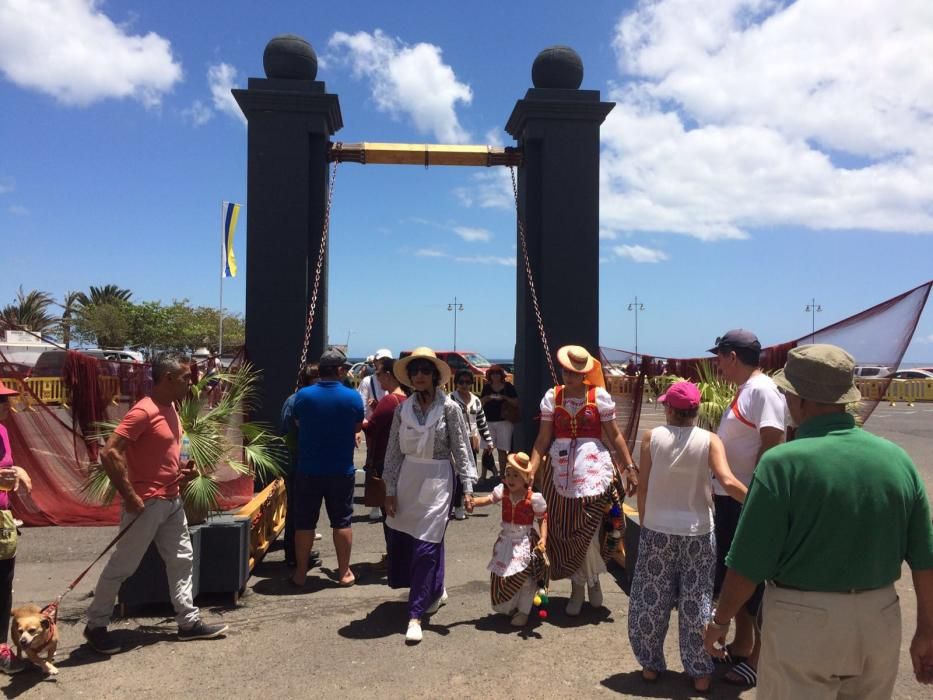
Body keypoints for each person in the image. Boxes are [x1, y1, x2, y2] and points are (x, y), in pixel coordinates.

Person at [704, 344, 933, 697]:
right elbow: (924, 558)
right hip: (880, 617)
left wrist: (720, 622)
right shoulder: (897, 460)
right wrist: (927, 630)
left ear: (801, 399)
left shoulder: (782, 464)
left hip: (803, 619)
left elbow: (747, 565)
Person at [84, 354, 228, 655]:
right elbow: (110, 453)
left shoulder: (171, 407)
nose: (191, 382)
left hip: (171, 499)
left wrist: (183, 468)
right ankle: (96, 625)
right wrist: (130, 496)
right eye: (186, 377)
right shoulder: (143, 411)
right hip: (146, 504)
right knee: (123, 566)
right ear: (168, 379)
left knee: (182, 559)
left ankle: (188, 623)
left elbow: (165, 452)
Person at [628, 381, 747, 694]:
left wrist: (645, 521)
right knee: (697, 600)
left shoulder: (651, 438)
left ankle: (651, 665)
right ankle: (700, 672)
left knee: (650, 599)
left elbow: (644, 487)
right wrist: (759, 502)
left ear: (669, 409)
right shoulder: (710, 440)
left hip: (657, 529)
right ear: (695, 411)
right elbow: (727, 480)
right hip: (698, 530)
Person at [528, 345, 637, 616]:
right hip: (560, 468)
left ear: (585, 373)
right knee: (565, 530)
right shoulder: (552, 397)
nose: (569, 375)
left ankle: (592, 580)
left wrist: (630, 466)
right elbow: (543, 439)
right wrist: (531, 467)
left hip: (593, 470)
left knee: (592, 529)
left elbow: (615, 435)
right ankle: (579, 586)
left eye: (575, 372)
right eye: (566, 370)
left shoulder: (598, 396)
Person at [707, 329, 787, 687]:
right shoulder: (747, 391)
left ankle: (757, 658)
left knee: (751, 577)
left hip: (746, 500)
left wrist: (757, 497)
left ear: (732, 356)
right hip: (733, 500)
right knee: (733, 574)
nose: (718, 365)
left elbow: (772, 443)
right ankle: (743, 643)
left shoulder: (762, 391)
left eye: (720, 358)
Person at [383, 347, 476, 643]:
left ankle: (415, 615)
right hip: (409, 480)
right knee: (416, 543)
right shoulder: (402, 409)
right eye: (415, 372)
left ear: (435, 377)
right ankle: (435, 588)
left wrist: (469, 487)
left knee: (426, 546)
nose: (420, 376)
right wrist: (390, 488)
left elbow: (461, 449)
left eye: (425, 371)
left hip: (437, 481)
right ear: (409, 378)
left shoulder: (450, 408)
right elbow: (394, 452)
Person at [289, 349, 364, 589]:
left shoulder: (303, 396)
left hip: (308, 469)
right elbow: (356, 427)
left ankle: (301, 573)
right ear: (341, 370)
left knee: (304, 523)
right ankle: (343, 573)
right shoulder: (353, 397)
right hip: (341, 470)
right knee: (342, 522)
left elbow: (298, 423)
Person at [469, 452, 548, 627]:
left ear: (525, 479)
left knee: (525, 578)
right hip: (506, 541)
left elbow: (543, 518)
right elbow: (488, 499)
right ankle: (510, 605)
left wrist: (543, 538)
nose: (510, 479)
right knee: (502, 576)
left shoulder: (534, 498)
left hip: (524, 542)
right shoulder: (502, 491)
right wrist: (474, 502)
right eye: (508, 474)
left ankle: (524, 611)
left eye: (515, 475)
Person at [361, 358, 408, 556]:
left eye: (378, 373)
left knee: (388, 511)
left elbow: (371, 427)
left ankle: (393, 556)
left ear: (388, 374)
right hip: (402, 460)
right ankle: (397, 556)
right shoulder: (406, 398)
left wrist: (358, 421)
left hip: (384, 459)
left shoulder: (390, 400)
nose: (376, 377)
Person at [0, 384, 31, 674]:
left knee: (3, 584)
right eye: (2, 401)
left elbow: (6, 468)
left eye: (8, 401)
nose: (8, 407)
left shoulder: (4, 432)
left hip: (3, 519)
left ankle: (1, 648)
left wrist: (16, 472)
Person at [279, 363, 322, 569]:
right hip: (298, 463)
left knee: (299, 511)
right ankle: (294, 555)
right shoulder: (297, 401)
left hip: (299, 462)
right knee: (297, 511)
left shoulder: (292, 399)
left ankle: (296, 553)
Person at [450, 368, 495, 519]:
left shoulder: (476, 400)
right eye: (461, 382)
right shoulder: (450, 399)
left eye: (468, 382)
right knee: (457, 474)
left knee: (469, 475)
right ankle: (456, 505)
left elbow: (481, 423)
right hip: (456, 442)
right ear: (456, 383)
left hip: (472, 442)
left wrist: (488, 441)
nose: (464, 385)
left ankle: (463, 502)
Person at [359, 348, 394, 520]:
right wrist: (362, 426)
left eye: (387, 360)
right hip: (372, 426)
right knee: (373, 462)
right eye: (381, 360)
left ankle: (389, 500)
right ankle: (374, 504)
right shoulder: (368, 381)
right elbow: (362, 404)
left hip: (391, 426)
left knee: (390, 461)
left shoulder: (394, 381)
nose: (383, 363)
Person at [480, 365, 519, 477]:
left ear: (501, 375)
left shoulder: (508, 386)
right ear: (489, 375)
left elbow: (516, 403)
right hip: (488, 421)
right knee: (486, 449)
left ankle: (502, 475)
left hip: (504, 422)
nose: (495, 375)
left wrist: (504, 398)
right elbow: (480, 402)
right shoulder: (487, 387)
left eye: (497, 373)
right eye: (493, 373)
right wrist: (487, 398)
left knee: (502, 450)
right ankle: (483, 476)